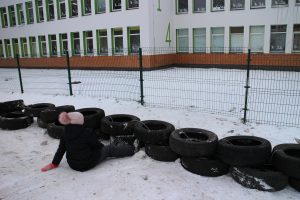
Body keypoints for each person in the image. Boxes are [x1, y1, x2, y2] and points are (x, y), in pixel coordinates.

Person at [41, 112, 135, 172]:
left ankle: (117, 144)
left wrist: (54, 163)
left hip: (73, 164)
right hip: (87, 163)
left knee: (106, 147)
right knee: (109, 149)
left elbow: (61, 149)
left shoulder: (65, 133)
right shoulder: (87, 132)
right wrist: (104, 149)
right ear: (79, 122)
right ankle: (132, 150)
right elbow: (97, 146)